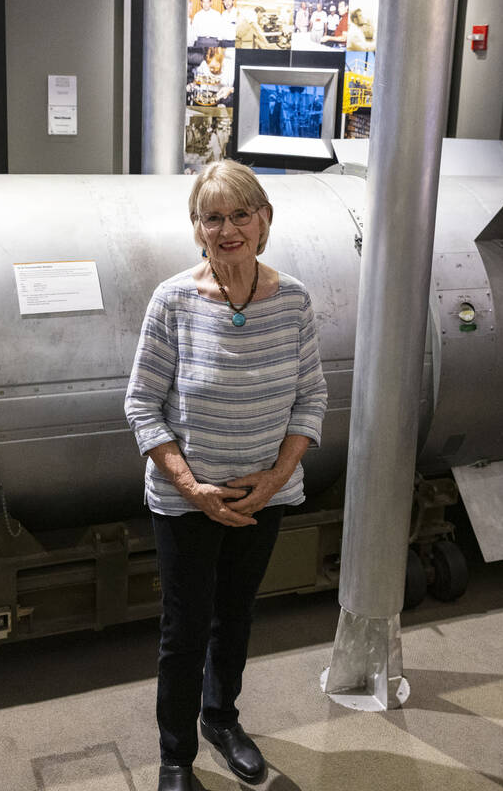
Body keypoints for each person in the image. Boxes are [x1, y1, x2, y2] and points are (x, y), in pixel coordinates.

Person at [125, 161, 328, 791]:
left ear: (265, 220)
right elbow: (141, 404)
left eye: (241, 214)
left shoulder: (292, 300)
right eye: (213, 217)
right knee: (183, 629)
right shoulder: (175, 301)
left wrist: (273, 480)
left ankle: (222, 720)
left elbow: (310, 401)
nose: (228, 228)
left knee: (234, 616)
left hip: (264, 497)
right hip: (188, 502)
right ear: (197, 230)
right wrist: (192, 488)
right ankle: (175, 756)